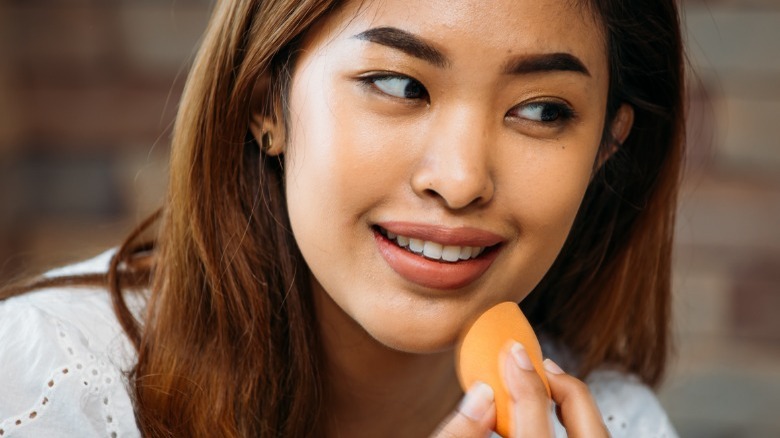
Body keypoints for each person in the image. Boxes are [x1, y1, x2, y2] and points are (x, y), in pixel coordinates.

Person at [0, 0, 684, 436]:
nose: (460, 180)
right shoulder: (47, 386)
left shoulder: (614, 421)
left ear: (606, 148)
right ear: (265, 101)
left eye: (542, 110)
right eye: (398, 85)